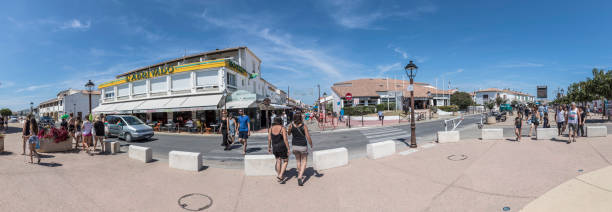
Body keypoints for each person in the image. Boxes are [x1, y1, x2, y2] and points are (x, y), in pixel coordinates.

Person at [288, 113, 313, 186]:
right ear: (300, 118)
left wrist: (289, 129)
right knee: (304, 161)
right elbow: (308, 136)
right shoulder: (304, 126)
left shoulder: (291, 125)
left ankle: (299, 173)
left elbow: (289, 134)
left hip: (295, 145)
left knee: (298, 161)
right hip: (302, 145)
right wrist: (311, 144)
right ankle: (300, 177)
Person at [267, 116, 290, 184]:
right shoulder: (282, 128)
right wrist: (288, 148)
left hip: (274, 146)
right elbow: (285, 139)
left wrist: (269, 147)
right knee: (285, 161)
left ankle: (279, 176)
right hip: (282, 146)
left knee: (278, 160)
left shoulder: (271, 128)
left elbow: (269, 139)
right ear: (280, 121)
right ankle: (280, 175)